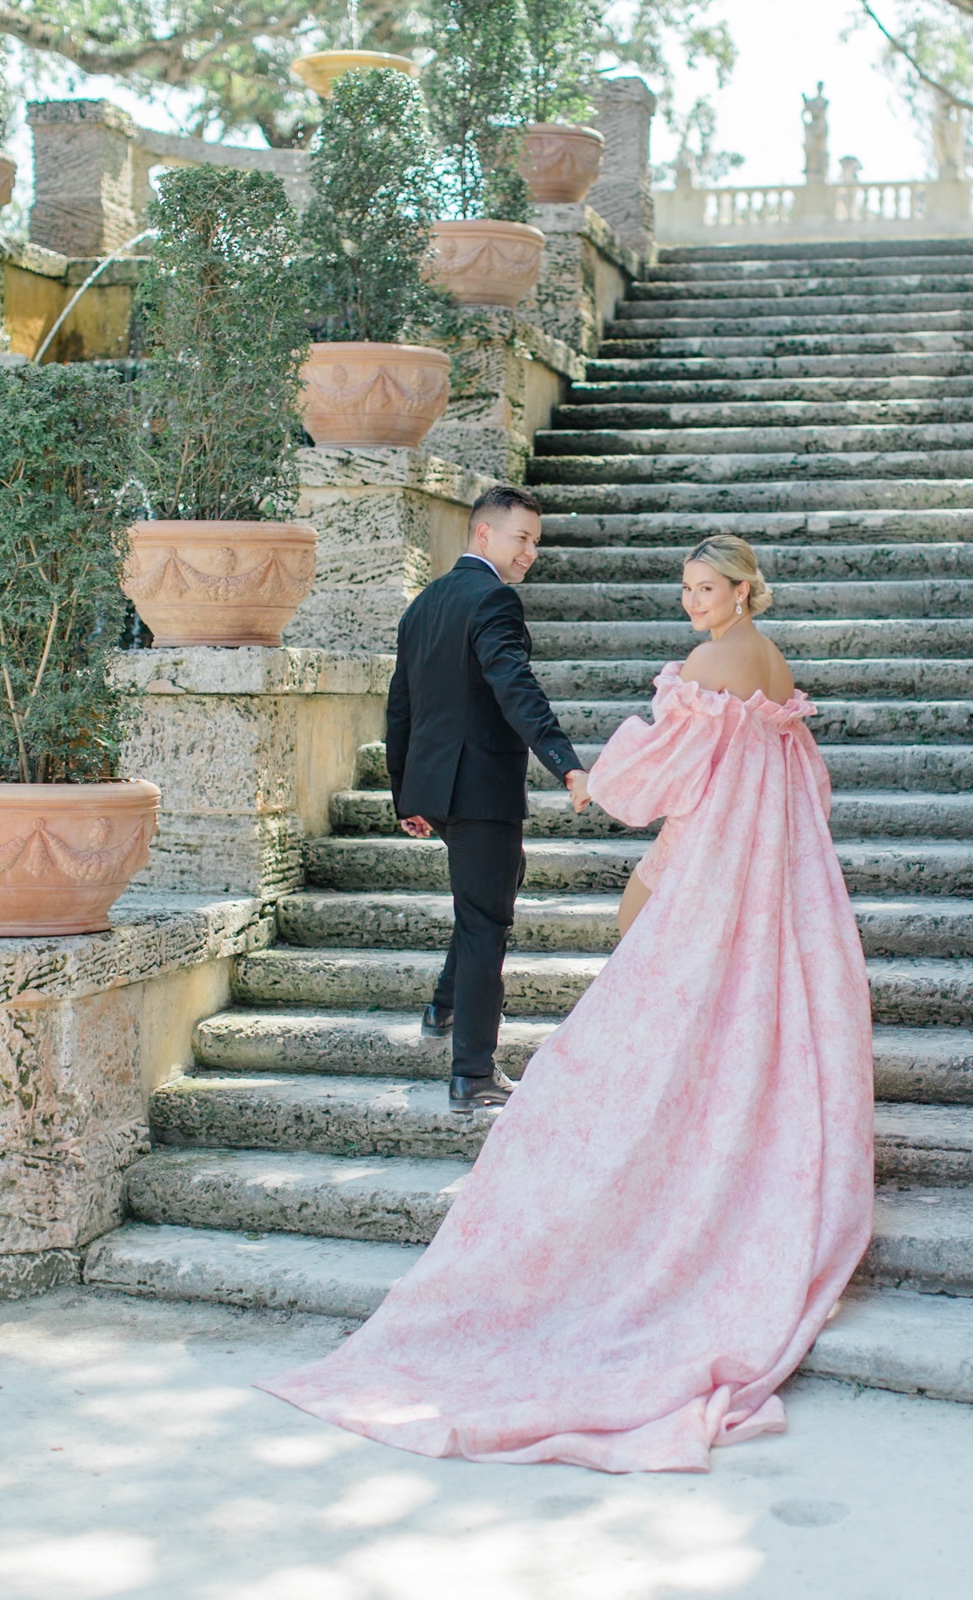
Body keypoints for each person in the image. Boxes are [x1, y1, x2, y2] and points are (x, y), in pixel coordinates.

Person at [260, 534, 875, 1474]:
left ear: (745, 591)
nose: (690, 602)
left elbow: (656, 776)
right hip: (753, 860)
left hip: (717, 862)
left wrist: (597, 779)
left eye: (705, 587)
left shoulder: (714, 662)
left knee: (630, 1037)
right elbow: (785, 769)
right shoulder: (772, 662)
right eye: (684, 585)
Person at [383, 483, 589, 1112]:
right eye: (521, 537)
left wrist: (405, 793)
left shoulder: (425, 603)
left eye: (535, 541)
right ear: (484, 534)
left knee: (484, 898)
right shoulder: (493, 598)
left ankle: (445, 1007)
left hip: (439, 790)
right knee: (486, 920)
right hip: (479, 790)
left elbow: (401, 708)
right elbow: (514, 685)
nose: (529, 552)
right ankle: (472, 1074)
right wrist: (564, 762)